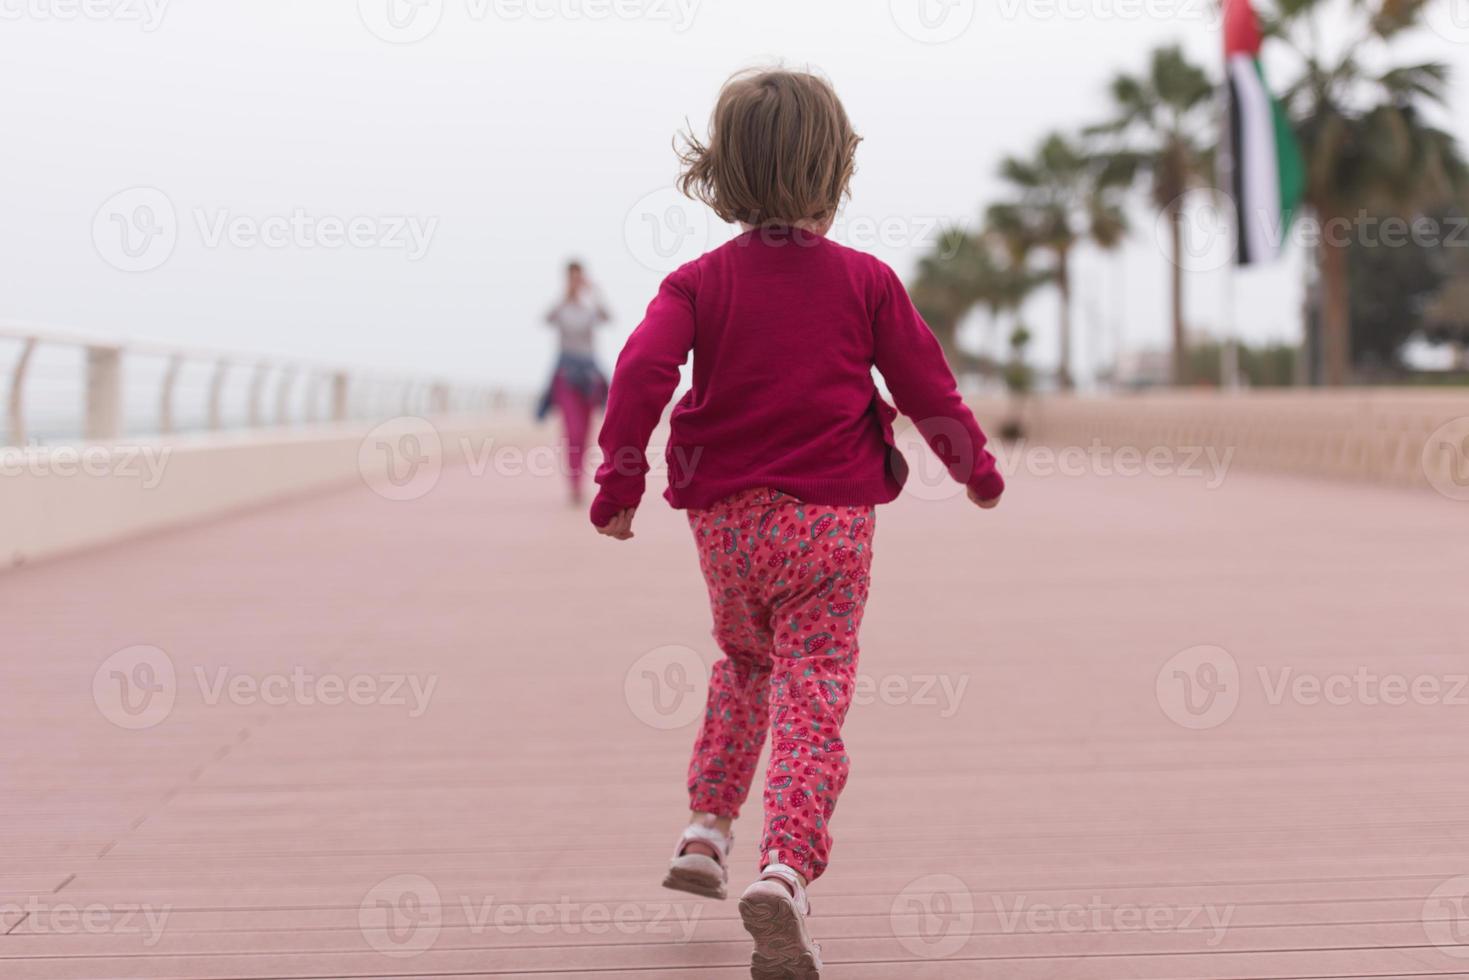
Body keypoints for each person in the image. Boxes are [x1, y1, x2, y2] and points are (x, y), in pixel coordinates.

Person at [589, 68, 1003, 980]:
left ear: (721, 175)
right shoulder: (865, 283)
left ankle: (704, 832)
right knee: (813, 686)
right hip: (830, 527)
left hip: (725, 527)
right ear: (836, 169)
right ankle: (784, 865)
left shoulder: (696, 283)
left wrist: (619, 483)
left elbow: (640, 375)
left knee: (744, 663)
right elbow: (924, 386)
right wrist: (974, 468)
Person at [536, 260, 610, 504]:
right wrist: (564, 296)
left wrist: (595, 292)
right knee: (573, 430)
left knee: (586, 431)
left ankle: (579, 478)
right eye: (572, 277)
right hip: (566, 375)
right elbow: (546, 319)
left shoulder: (589, 308)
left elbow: (607, 317)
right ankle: (575, 484)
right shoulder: (562, 308)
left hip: (589, 376)